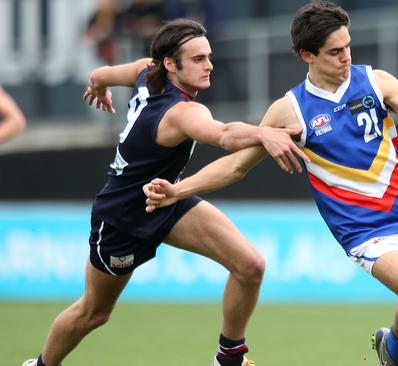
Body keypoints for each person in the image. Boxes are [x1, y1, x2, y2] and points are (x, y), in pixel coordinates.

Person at [143, 3, 398, 366]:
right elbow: (236, 167)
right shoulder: (290, 110)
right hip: (364, 230)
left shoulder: (376, 82)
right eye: (334, 51)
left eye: (347, 46)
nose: (346, 56)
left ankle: (390, 349)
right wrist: (178, 189)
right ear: (307, 56)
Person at [22, 18, 307, 366]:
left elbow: (99, 74)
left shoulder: (146, 70)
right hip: (122, 216)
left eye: (209, 56)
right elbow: (224, 135)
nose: (209, 65)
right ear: (170, 64)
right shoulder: (182, 112)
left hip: (167, 196)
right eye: (198, 59)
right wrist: (264, 134)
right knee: (93, 313)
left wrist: (98, 87)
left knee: (250, 265)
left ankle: (229, 357)